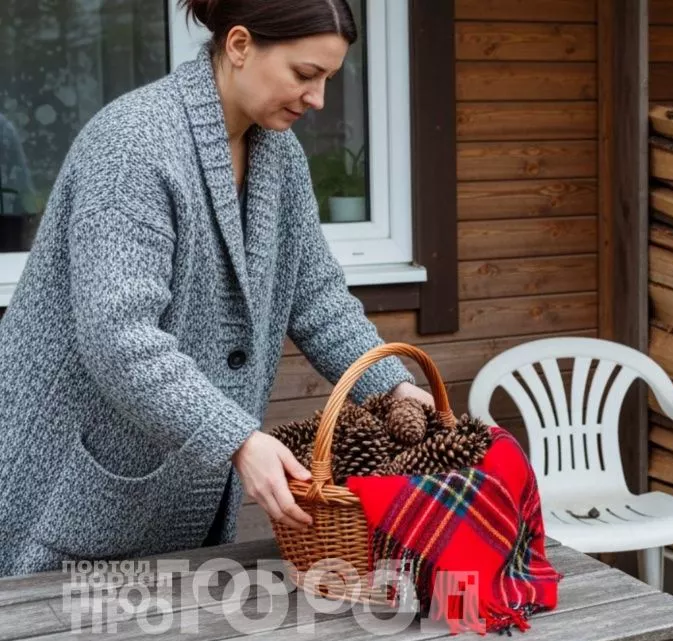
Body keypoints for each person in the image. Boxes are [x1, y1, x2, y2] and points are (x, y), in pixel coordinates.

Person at [0, 0, 433, 576]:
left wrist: (392, 389)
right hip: (77, 491)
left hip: (180, 498)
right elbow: (119, 336)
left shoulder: (279, 156)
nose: (318, 99)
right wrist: (236, 439)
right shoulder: (133, 145)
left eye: (329, 79)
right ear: (239, 46)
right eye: (305, 75)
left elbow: (319, 300)